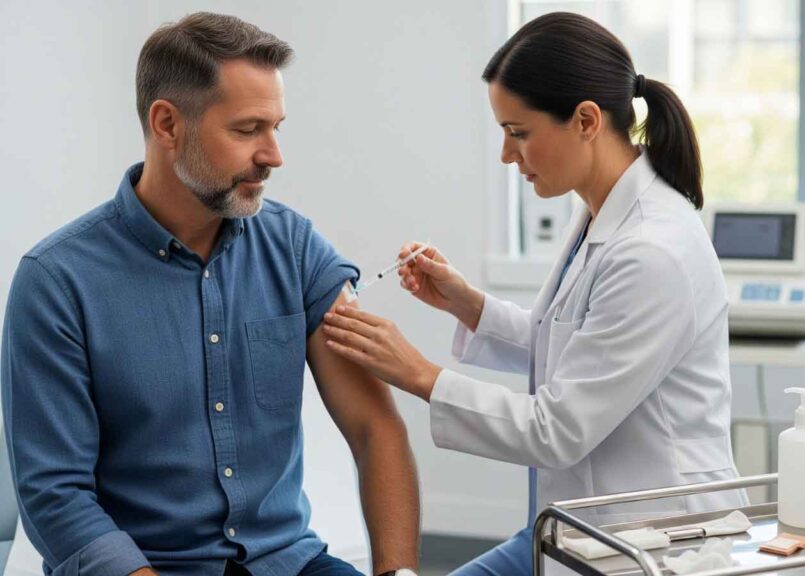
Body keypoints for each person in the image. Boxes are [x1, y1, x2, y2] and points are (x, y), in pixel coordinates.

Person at [320, 11, 748, 576]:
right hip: (579, 526)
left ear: (586, 120)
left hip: (656, 541)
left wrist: (417, 373)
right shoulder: (599, 214)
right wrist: (464, 302)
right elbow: (571, 347)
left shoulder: (653, 250)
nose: (506, 155)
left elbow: (558, 430)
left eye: (518, 133)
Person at [1, 13, 420, 576]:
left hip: (287, 563)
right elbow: (56, 494)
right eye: (248, 130)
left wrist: (400, 573)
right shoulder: (56, 282)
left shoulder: (295, 249)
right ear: (168, 124)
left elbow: (376, 428)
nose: (274, 155)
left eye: (277, 127)